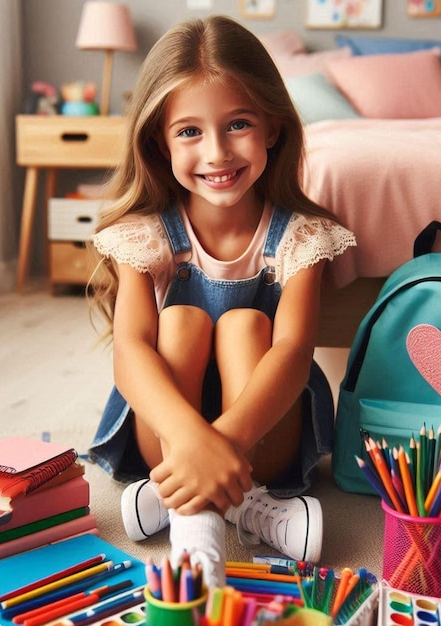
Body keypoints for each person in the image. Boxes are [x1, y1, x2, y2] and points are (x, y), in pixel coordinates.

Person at [87, 15, 355, 587]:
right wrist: (190, 442)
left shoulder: (300, 236)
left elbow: (294, 350)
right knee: (178, 322)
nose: (216, 152)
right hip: (168, 432)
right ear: (158, 139)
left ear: (274, 128)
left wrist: (224, 448)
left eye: (237, 125)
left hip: (261, 435)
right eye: (189, 132)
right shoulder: (146, 233)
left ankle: (184, 500)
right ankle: (221, 518)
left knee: (244, 326)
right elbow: (131, 349)